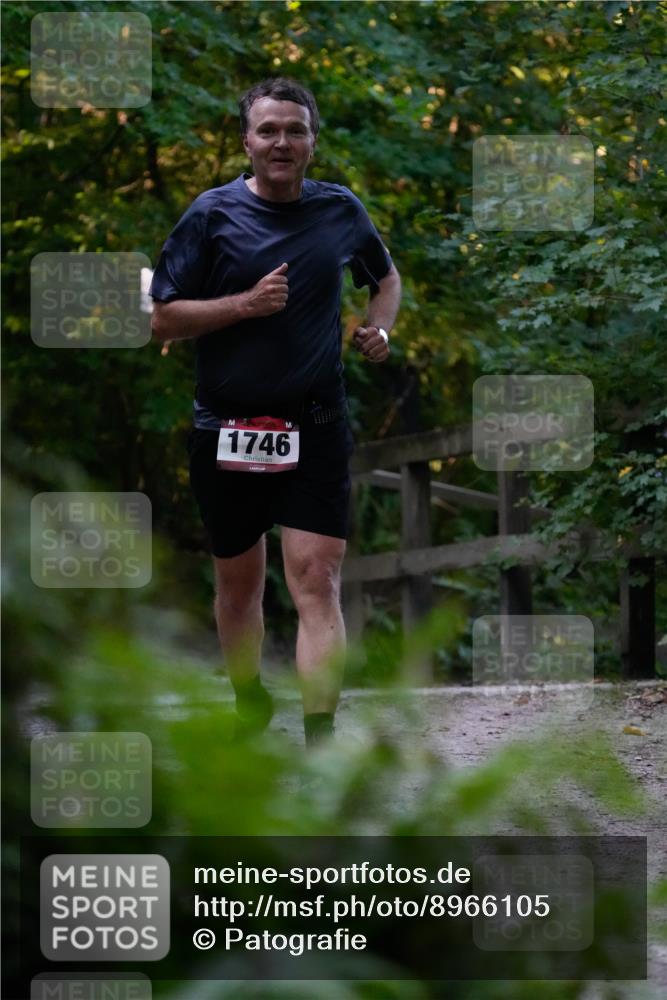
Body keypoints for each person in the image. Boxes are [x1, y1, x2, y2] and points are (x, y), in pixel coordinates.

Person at [150, 78, 401, 746]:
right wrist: (241, 305)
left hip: (315, 423)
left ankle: (319, 739)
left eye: (294, 129)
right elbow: (161, 318)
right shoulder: (210, 215)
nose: (281, 142)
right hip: (226, 427)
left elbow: (385, 278)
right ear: (246, 141)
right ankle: (247, 695)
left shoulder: (340, 211)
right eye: (268, 130)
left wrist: (380, 328)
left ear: (312, 141)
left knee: (316, 578)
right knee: (239, 586)